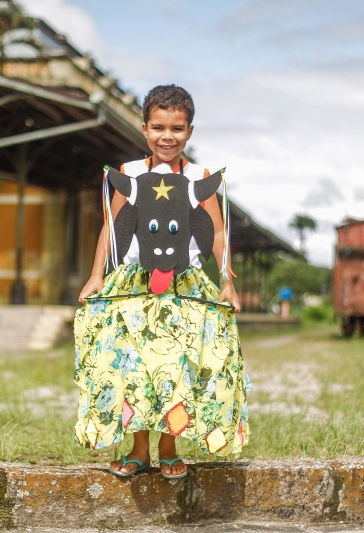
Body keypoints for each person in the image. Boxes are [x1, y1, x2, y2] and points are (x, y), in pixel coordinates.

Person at [74, 85, 251, 479]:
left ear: (189, 131)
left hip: (184, 287)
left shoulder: (199, 178)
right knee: (135, 367)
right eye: (158, 127)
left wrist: (227, 282)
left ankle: (168, 447)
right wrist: (94, 276)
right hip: (134, 286)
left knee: (177, 370)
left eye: (177, 128)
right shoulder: (128, 175)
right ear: (144, 128)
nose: (167, 136)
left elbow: (218, 234)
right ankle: (139, 450)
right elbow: (112, 229)